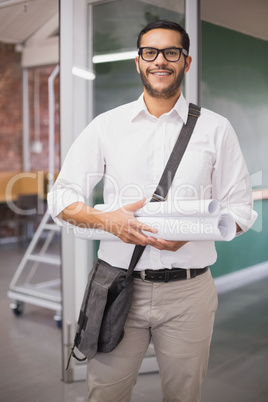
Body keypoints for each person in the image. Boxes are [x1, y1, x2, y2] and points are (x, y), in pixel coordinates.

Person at [48, 20, 257, 402]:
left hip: (189, 293)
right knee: (105, 394)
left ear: (186, 61)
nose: (160, 61)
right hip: (116, 287)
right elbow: (61, 198)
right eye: (150, 52)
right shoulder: (106, 127)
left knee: (183, 395)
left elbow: (241, 210)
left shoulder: (216, 128)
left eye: (171, 52)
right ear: (138, 61)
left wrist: (195, 232)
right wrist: (106, 218)